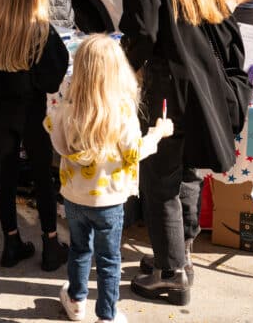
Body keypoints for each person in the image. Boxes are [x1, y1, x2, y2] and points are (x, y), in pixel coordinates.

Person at [119, 0, 246, 306]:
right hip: (203, 88)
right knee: (186, 173)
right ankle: (178, 257)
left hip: (166, 92)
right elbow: (227, 30)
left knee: (160, 182)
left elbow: (142, 36)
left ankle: (171, 274)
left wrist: (116, 68)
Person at [46, 34, 174, 323]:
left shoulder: (67, 110)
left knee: (79, 250)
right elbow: (134, 152)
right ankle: (106, 315)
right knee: (108, 260)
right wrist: (158, 133)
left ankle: (77, 302)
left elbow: (56, 139)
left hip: (74, 197)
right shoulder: (123, 113)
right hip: (110, 201)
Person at [0, 0, 71, 271]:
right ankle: (51, 243)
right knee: (43, 178)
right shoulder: (42, 32)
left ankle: (11, 241)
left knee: (7, 176)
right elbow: (54, 78)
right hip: (33, 113)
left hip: (3, 113)